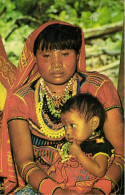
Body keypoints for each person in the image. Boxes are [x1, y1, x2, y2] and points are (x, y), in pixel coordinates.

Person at [0, 21, 124, 195]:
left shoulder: (99, 87)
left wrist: (99, 191)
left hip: (100, 181)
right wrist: (57, 192)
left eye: (65, 54)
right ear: (34, 57)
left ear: (77, 54)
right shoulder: (21, 99)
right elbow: (25, 162)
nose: (56, 64)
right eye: (46, 56)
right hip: (45, 186)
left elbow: (120, 153)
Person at [46, 93, 115, 194]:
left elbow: (99, 171)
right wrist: (52, 171)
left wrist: (79, 154)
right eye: (65, 127)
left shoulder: (99, 144)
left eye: (72, 125)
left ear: (93, 123)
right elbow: (61, 161)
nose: (68, 132)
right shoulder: (69, 144)